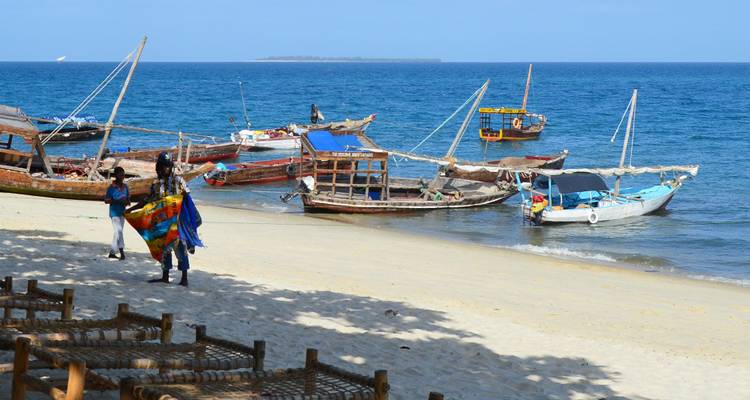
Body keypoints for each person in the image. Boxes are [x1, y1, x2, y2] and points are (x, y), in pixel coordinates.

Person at [129, 152, 191, 286]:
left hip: (177, 221)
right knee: (164, 249)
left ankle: (184, 278)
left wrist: (184, 197)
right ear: (159, 167)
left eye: (168, 166)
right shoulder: (156, 183)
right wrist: (131, 210)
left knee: (180, 247)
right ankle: (165, 276)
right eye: (164, 166)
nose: (166, 169)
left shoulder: (179, 181)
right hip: (162, 222)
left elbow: (188, 198)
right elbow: (148, 200)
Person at [104, 167, 130, 260]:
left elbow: (128, 200)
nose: (122, 176)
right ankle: (122, 251)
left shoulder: (125, 187)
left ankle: (112, 252)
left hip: (122, 213)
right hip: (114, 212)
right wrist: (116, 200)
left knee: (118, 233)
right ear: (116, 176)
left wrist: (126, 202)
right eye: (120, 175)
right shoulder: (111, 188)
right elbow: (106, 200)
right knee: (118, 231)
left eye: (123, 175)